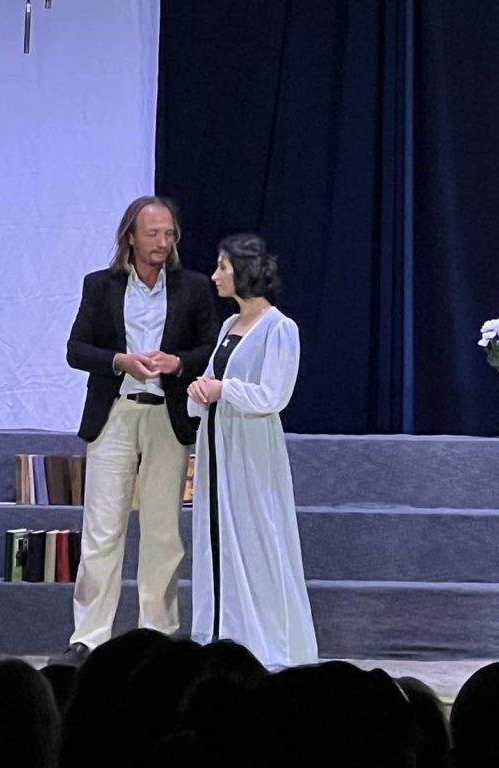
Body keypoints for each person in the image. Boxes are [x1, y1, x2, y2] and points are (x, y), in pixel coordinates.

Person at [55, 196, 218, 665]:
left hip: (167, 417)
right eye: (153, 234)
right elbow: (76, 349)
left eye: (169, 234)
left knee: (163, 531)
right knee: (102, 530)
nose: (163, 242)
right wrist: (119, 361)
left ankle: (157, 637)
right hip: (115, 413)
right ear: (130, 236)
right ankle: (89, 638)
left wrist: (178, 363)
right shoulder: (100, 286)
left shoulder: (193, 288)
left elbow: (211, 347)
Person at [186, 233, 317, 669]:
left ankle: (266, 643)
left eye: (222, 267)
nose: (215, 275)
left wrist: (224, 389)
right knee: (219, 535)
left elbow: (273, 395)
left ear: (242, 272)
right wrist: (201, 390)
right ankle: (221, 634)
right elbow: (213, 379)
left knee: (257, 537)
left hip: (251, 449)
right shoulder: (228, 327)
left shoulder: (279, 328)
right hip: (219, 442)